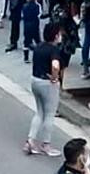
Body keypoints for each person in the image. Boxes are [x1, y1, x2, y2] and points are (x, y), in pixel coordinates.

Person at [26, 21, 64, 158]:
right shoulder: (54, 50)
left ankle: (30, 140)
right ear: (55, 36)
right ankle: (46, 144)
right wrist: (55, 77)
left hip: (35, 80)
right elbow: (55, 65)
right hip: (48, 84)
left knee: (39, 112)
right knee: (49, 114)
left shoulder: (39, 47)